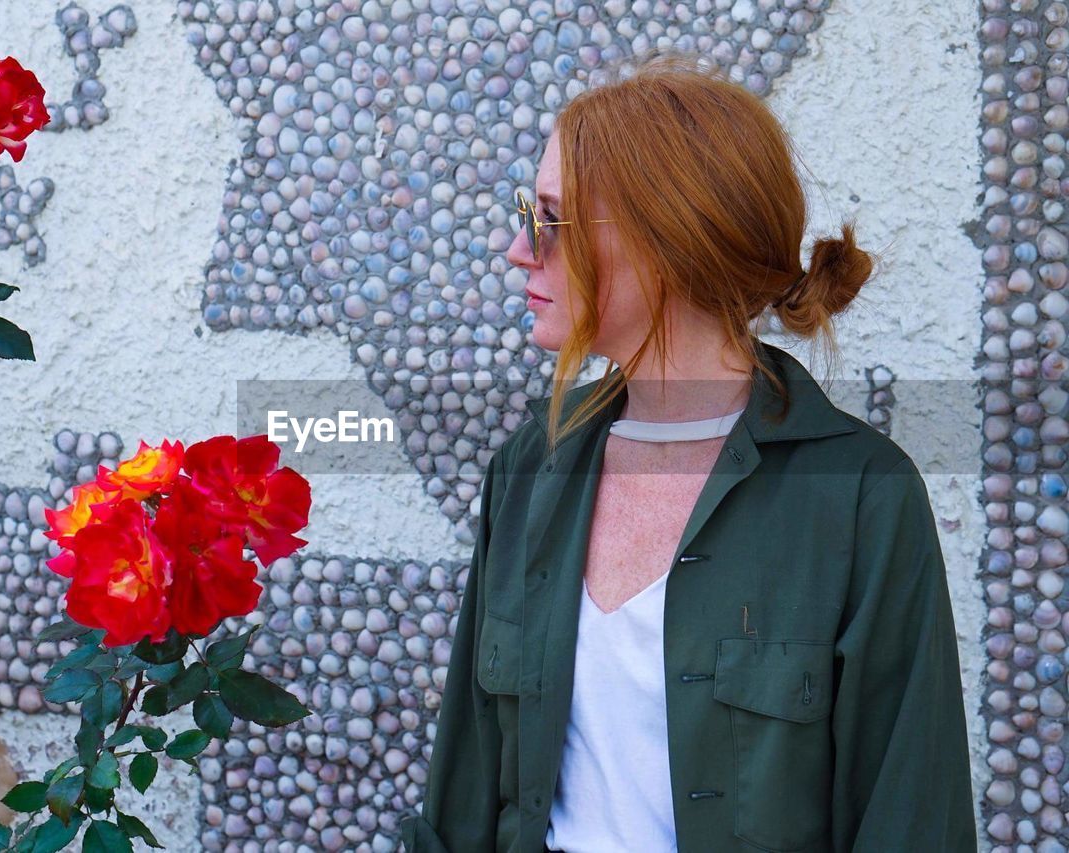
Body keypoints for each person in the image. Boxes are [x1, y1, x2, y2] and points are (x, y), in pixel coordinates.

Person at [399, 49, 977, 852]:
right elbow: (463, 794)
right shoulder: (531, 466)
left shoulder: (859, 498)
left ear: (667, 240)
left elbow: (914, 820)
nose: (520, 251)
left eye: (550, 221)